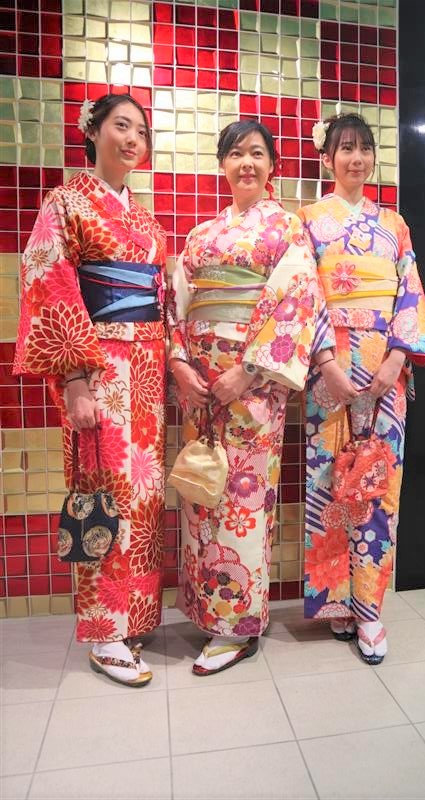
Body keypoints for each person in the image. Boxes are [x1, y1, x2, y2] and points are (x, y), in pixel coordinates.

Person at [13, 93, 168, 687]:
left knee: (143, 497)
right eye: (121, 126)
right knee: (100, 492)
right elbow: (49, 282)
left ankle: (133, 618)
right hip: (98, 369)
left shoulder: (145, 221)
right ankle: (104, 633)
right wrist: (74, 380)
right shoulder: (65, 202)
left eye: (141, 131)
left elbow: (158, 298)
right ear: (93, 131)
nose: (132, 139)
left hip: (147, 371)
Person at [168, 120, 318, 675]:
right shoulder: (201, 235)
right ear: (222, 165)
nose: (246, 163)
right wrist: (180, 364)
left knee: (242, 502)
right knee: (201, 492)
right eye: (235, 154)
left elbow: (296, 301)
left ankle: (237, 626)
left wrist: (248, 372)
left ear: (272, 165)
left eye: (256, 153)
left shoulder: (287, 228)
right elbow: (176, 302)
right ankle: (205, 613)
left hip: (252, 391)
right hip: (201, 390)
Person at [298, 113, 425, 665]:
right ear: (327, 159)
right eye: (345, 148)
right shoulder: (308, 221)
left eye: (363, 148)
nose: (355, 158)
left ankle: (370, 610)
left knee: (379, 486)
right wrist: (326, 362)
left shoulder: (394, 224)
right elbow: (303, 296)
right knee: (330, 485)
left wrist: (397, 357)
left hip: (386, 373)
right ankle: (338, 602)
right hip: (328, 372)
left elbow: (410, 294)